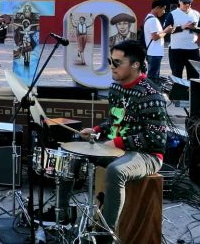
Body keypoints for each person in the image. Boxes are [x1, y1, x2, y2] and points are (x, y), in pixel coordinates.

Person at [55, 40, 167, 236]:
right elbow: (116, 121)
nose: (111, 67)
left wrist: (117, 142)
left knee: (116, 171)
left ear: (135, 65)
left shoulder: (151, 95)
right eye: (110, 61)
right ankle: (61, 215)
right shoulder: (116, 88)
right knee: (69, 150)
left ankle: (105, 234)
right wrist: (97, 129)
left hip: (147, 154)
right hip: (116, 148)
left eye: (117, 63)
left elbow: (156, 137)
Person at [164, 0, 200, 79]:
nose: (187, 5)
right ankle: (179, 92)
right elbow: (166, 30)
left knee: (194, 76)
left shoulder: (196, 14)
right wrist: (182, 27)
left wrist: (193, 28)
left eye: (189, 3)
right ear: (179, 2)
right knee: (177, 75)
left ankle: (193, 92)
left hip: (192, 49)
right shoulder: (173, 14)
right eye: (185, 2)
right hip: (176, 49)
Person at [143, 0, 172, 83]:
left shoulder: (149, 18)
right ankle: (150, 95)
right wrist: (166, 31)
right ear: (157, 8)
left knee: (153, 77)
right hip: (154, 53)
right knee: (153, 79)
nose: (164, 12)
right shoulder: (153, 20)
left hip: (152, 52)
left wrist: (164, 31)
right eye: (163, 9)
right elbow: (155, 37)